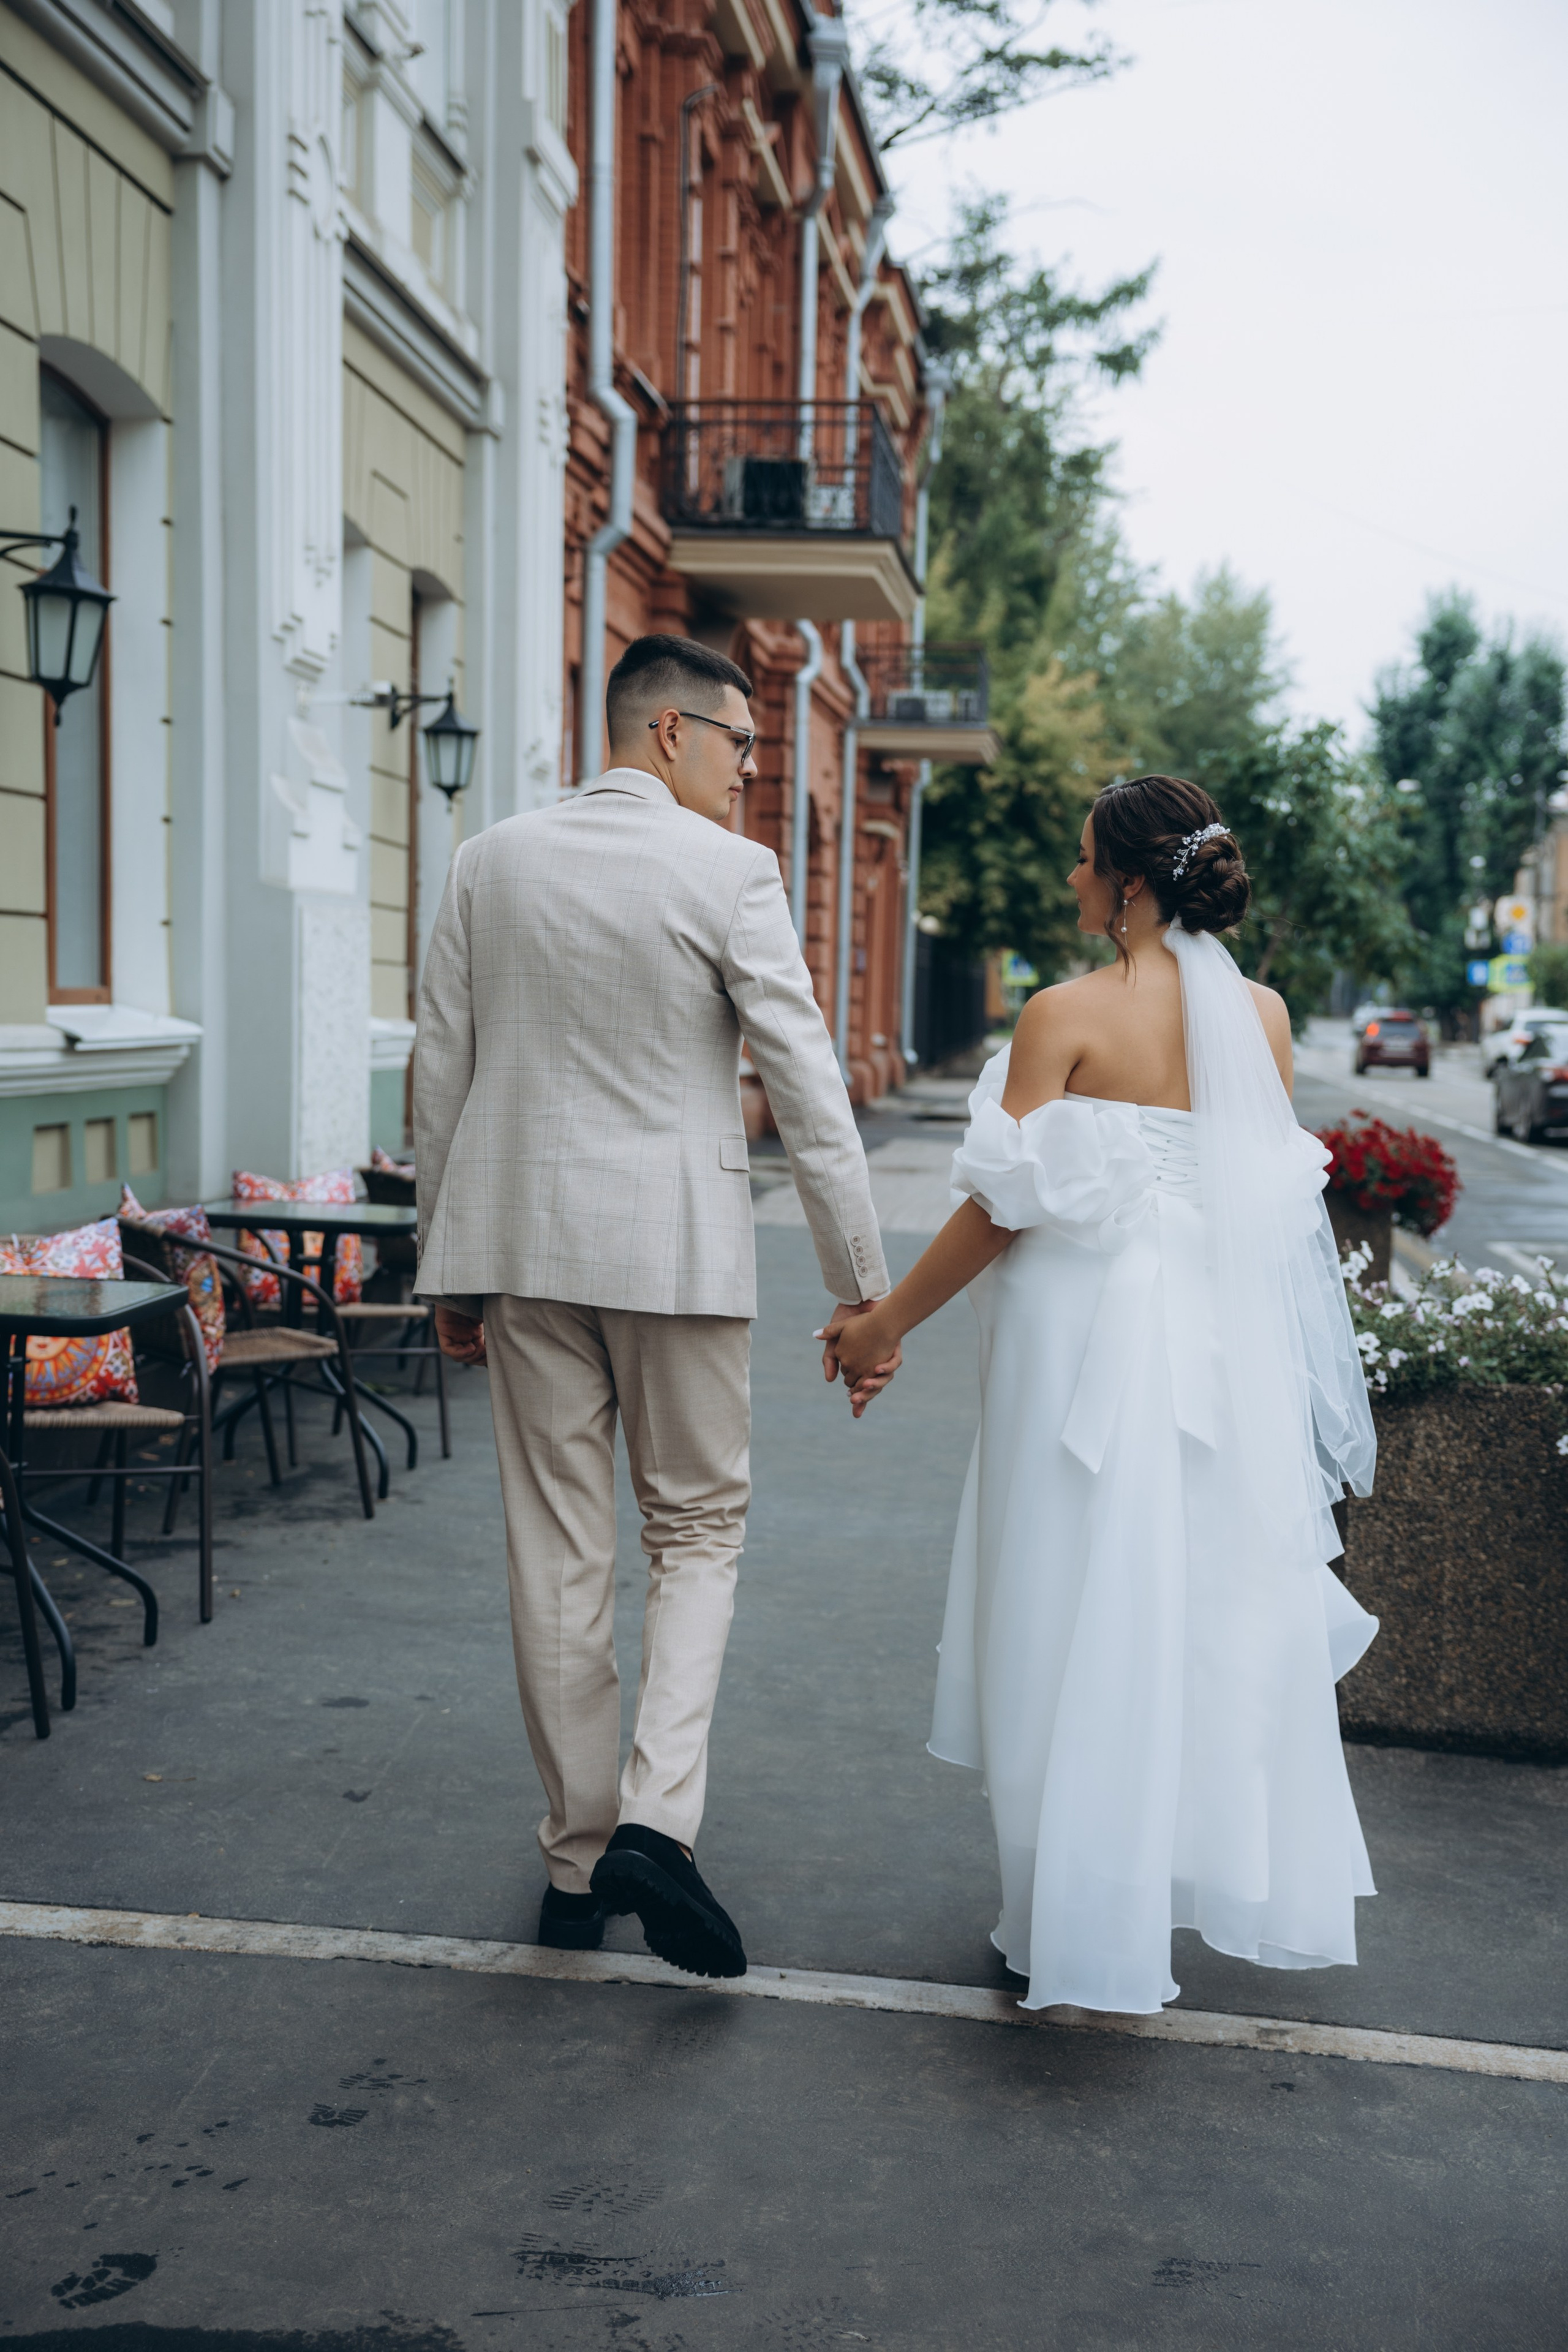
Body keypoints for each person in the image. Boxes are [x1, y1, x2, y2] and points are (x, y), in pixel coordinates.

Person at [831, 774, 1379, 2015]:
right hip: (1206, 1352)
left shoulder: (1060, 1014)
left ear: (1127, 882)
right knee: (1175, 1610)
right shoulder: (1265, 1018)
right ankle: (1119, 1896)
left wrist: (880, 1324)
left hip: (1078, 1350)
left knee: (1058, 1600)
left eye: (1084, 864)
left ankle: (1054, 1915)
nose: (1072, 881)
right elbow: (1255, 1204)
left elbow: (996, 1209)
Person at [412, 634, 895, 1981]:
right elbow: (806, 1088)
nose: (750, 774)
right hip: (677, 1255)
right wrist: (865, 1290)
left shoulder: (486, 861)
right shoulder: (728, 874)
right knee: (695, 1529)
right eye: (742, 745)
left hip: (518, 1252)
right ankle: (655, 1827)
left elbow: (440, 1072)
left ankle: (576, 1864)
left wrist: (443, 1264)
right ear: (670, 732)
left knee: (557, 1553)